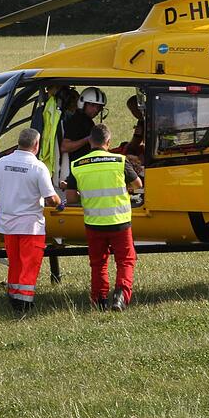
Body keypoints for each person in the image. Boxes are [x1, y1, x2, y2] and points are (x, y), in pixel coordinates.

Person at [0, 127, 63, 313]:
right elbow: (51, 199)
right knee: (29, 264)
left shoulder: (1, 163)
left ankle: (13, 294)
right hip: (30, 226)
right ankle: (23, 302)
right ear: (36, 145)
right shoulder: (38, 167)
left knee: (15, 262)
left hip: (7, 225)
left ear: (19, 143)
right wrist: (60, 203)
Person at [67, 123, 142, 311]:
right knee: (125, 260)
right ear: (108, 142)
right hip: (120, 221)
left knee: (98, 263)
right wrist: (127, 189)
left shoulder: (77, 165)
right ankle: (120, 296)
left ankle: (99, 299)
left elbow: (70, 197)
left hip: (94, 223)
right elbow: (138, 184)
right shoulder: (120, 160)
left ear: (90, 141)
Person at [61, 87, 106, 166]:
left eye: (99, 107)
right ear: (83, 103)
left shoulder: (87, 121)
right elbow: (65, 147)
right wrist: (88, 138)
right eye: (92, 105)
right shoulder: (76, 121)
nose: (96, 110)